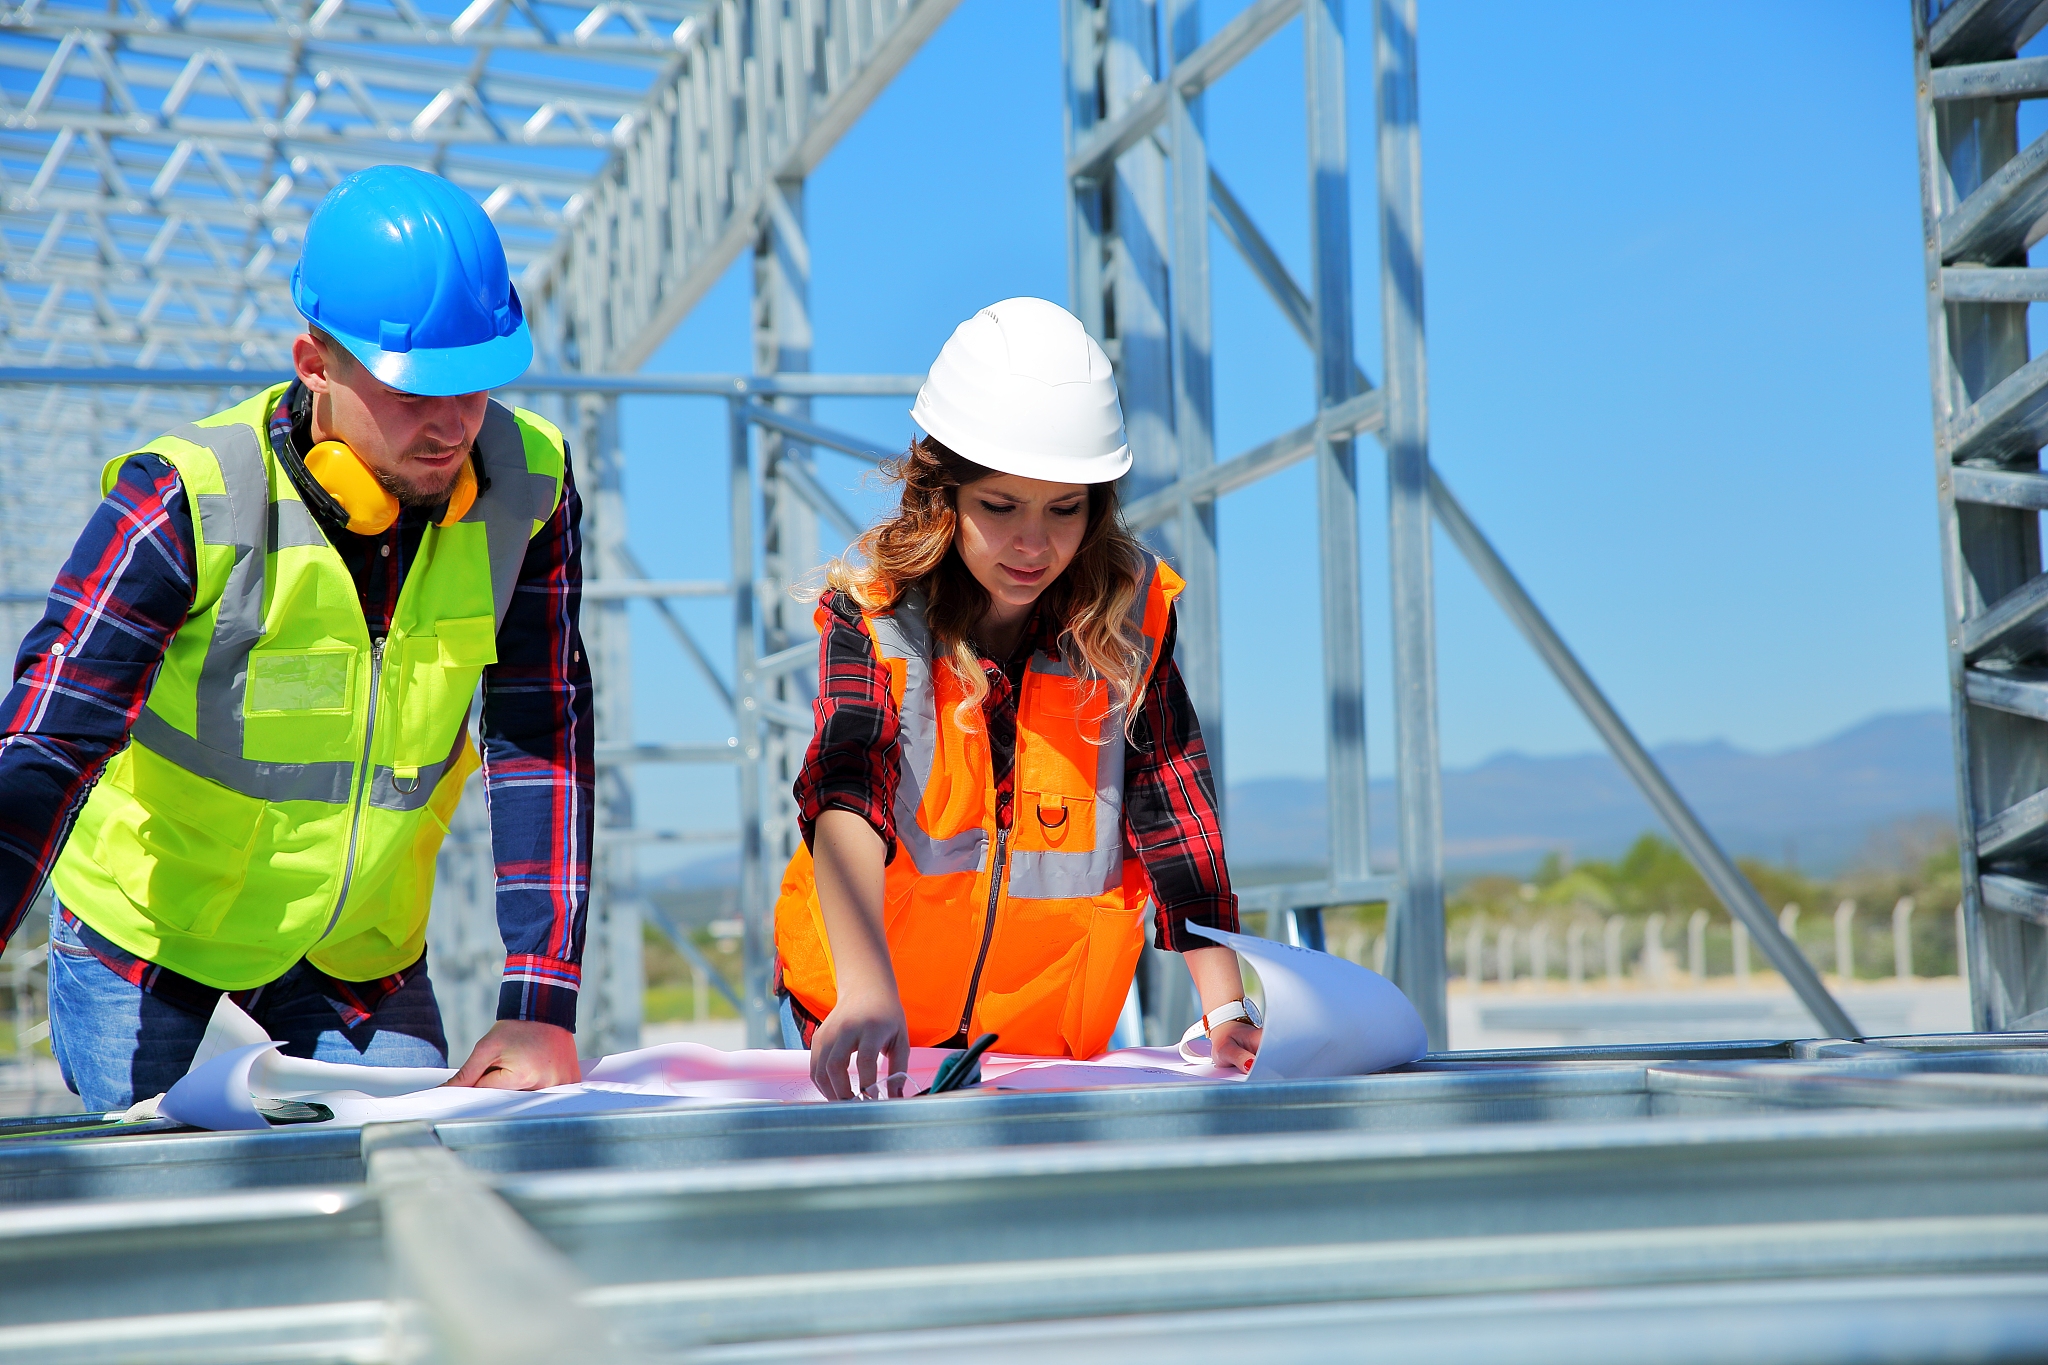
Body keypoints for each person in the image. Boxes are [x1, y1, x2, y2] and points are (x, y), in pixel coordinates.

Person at [0, 165, 592, 1113]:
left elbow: (544, 731)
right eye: (413, 390)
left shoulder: (527, 489)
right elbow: (44, 742)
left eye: (475, 383)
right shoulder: (183, 500)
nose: (452, 424)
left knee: (406, 1191)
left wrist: (541, 998)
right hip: (152, 944)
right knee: (172, 1216)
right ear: (314, 363)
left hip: (358, 955)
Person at [773, 297, 1261, 1101]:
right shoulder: (876, 615)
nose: (1034, 544)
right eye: (1000, 507)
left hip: (1043, 1055)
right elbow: (847, 791)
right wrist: (865, 988)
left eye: (1064, 509)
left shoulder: (1130, 626)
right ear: (944, 496)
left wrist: (1226, 1006)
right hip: (864, 1023)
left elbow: (1174, 812)